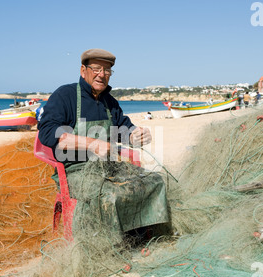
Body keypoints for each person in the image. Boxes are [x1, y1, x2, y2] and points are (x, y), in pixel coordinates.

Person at [37, 48, 170, 244]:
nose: (102, 74)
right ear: (83, 70)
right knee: (110, 194)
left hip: (108, 167)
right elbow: (48, 133)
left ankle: (151, 238)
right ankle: (113, 247)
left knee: (155, 182)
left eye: (107, 70)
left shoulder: (110, 102)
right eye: (97, 69)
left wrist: (137, 136)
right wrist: (91, 143)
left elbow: (124, 130)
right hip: (75, 171)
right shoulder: (65, 96)